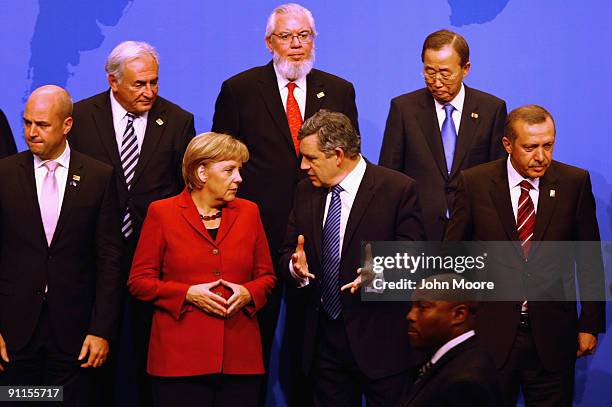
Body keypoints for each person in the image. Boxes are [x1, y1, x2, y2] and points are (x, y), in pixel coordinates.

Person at [212, 4, 359, 404]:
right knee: (250, 346)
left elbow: (350, 163)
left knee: (309, 350)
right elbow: (220, 162)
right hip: (255, 237)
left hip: (319, 238)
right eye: (286, 37)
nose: (296, 45)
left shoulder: (340, 90)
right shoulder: (239, 90)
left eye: (304, 36)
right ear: (269, 42)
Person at [445, 105, 606, 406]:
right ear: (508, 144)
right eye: (531, 147)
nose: (542, 156)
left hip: (553, 336)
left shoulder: (574, 183)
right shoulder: (475, 183)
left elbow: (589, 260)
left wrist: (590, 324)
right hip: (488, 335)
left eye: (548, 145)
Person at [68, 40, 196, 406]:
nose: (150, 92)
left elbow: (183, 190)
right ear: (113, 80)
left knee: (148, 359)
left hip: (155, 259)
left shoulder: (177, 120)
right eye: (140, 84)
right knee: (93, 360)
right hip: (92, 258)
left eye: (154, 82)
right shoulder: (80, 117)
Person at [279, 110, 425, 406]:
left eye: (311, 158)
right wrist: (294, 268)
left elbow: (415, 256)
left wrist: (379, 273)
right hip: (323, 344)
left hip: (382, 343)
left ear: (337, 154)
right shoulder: (304, 191)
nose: (303, 166)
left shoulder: (397, 189)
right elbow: (286, 252)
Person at [127, 132, 276, 407]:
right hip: (179, 363)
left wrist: (248, 292)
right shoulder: (162, 213)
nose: (239, 178)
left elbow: (267, 277)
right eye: (230, 170)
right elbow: (139, 281)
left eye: (239, 170)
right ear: (202, 172)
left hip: (239, 361)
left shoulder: (249, 212)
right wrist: (187, 293)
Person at [0, 85, 122, 405]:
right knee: (22, 401)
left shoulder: (99, 176)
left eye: (42, 125)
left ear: (67, 125)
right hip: (14, 336)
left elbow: (109, 258)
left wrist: (101, 329)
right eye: (27, 123)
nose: (31, 132)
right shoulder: (4, 174)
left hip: (76, 336)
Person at [379, 29, 507, 241]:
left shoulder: (491, 109)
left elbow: (497, 177)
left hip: (474, 235)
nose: (437, 82)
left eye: (445, 73)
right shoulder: (404, 109)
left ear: (465, 68)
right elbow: (389, 176)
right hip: (417, 233)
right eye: (429, 72)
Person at [400, 274, 502, 407]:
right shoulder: (453, 360)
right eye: (412, 307)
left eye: (423, 307)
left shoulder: (466, 383)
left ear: (459, 315)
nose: (410, 316)